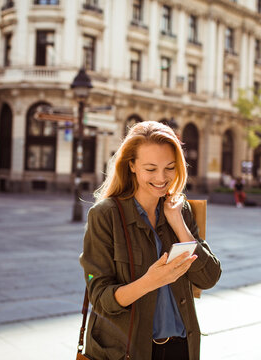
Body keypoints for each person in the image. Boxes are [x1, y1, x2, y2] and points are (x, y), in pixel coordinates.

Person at [79, 121, 222, 360]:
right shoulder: (105, 214)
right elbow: (100, 298)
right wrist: (150, 281)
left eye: (169, 168)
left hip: (181, 348)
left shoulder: (180, 208)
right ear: (132, 165)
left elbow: (209, 278)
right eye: (151, 169)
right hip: (128, 352)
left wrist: (178, 223)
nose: (161, 178)